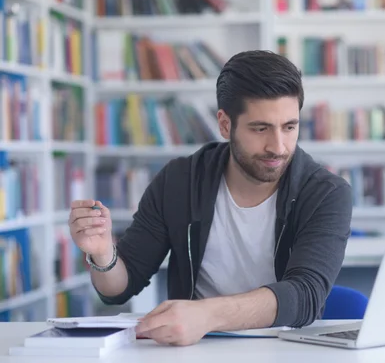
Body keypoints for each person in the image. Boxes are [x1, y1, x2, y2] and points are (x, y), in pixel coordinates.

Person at [68, 50, 354, 346]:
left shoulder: (326, 193)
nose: (278, 147)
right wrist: (102, 254)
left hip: (289, 349)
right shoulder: (180, 181)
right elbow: (118, 289)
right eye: (261, 128)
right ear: (225, 124)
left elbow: (305, 296)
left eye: (289, 127)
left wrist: (206, 315)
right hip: (196, 349)